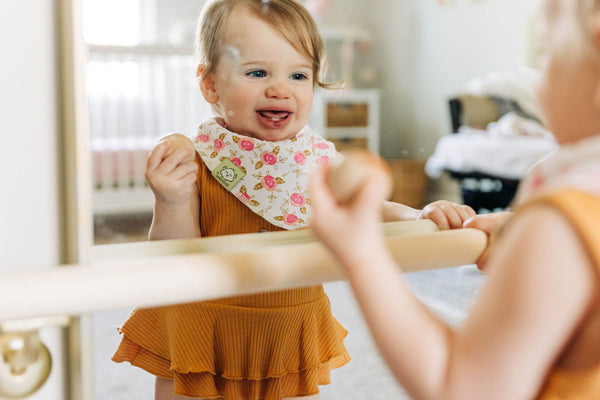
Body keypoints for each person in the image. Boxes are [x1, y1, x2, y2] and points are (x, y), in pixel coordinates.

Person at [112, 1, 474, 399]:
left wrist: (419, 214)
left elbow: (368, 212)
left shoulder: (317, 163)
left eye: (299, 75)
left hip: (290, 329)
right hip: (202, 328)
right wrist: (173, 200)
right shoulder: (200, 158)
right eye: (257, 72)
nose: (280, 88)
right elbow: (174, 259)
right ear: (210, 84)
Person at [309, 0, 600, 399]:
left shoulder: (561, 222)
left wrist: (361, 254)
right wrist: (519, 231)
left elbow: (461, 387)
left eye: (548, 51)